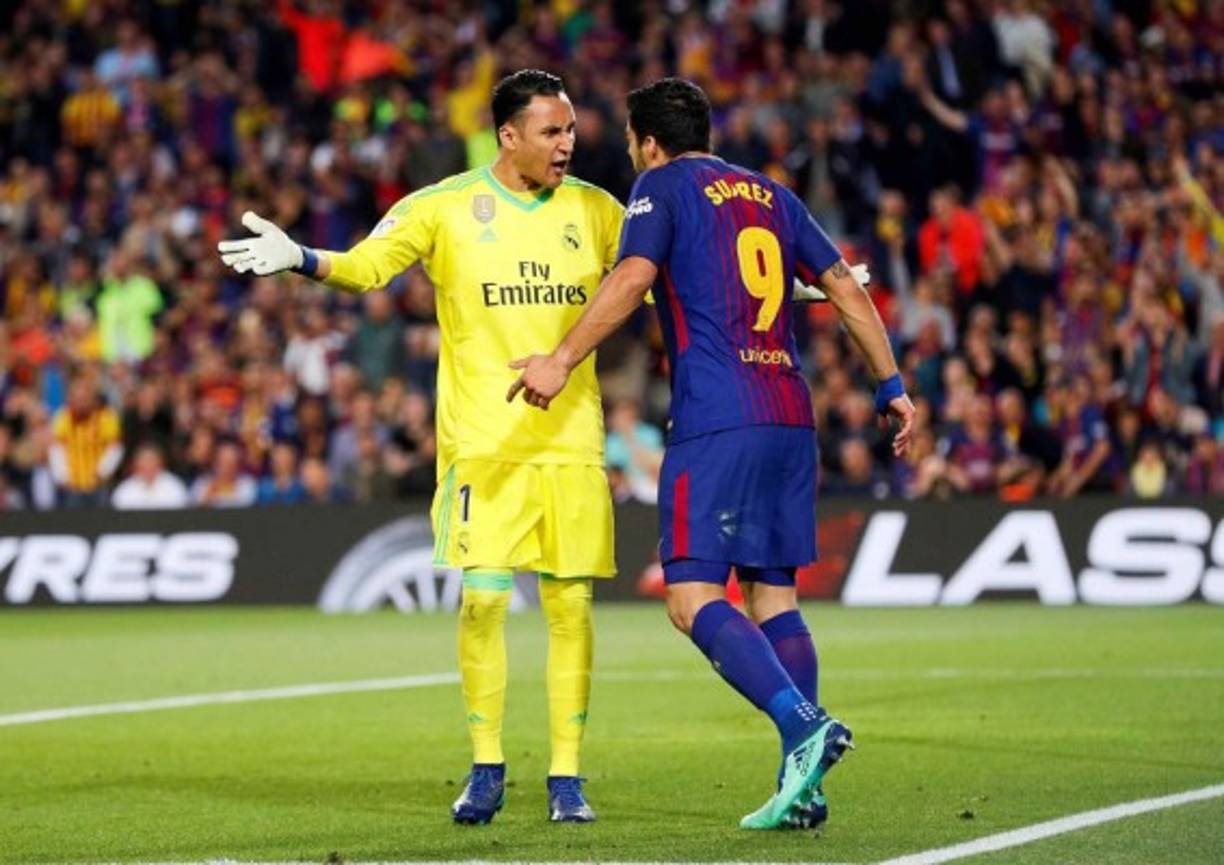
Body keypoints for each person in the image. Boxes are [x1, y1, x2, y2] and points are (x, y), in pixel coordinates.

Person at [217, 70, 624, 825]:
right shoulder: (443, 206)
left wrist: (786, 292)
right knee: (483, 601)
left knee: (571, 608)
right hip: (483, 443)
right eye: (551, 131)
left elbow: (662, 280)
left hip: (570, 441)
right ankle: (487, 765)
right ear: (508, 136)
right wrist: (301, 256)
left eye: (570, 130)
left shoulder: (599, 210)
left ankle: (567, 778)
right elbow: (367, 268)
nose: (567, 144)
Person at [509, 78, 914, 830]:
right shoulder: (773, 196)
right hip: (789, 414)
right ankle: (804, 786)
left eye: (632, 143)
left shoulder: (660, 187)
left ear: (649, 142)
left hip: (717, 417)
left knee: (691, 597)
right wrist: (890, 383)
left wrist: (560, 359)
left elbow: (634, 277)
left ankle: (802, 725)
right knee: (774, 598)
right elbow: (844, 287)